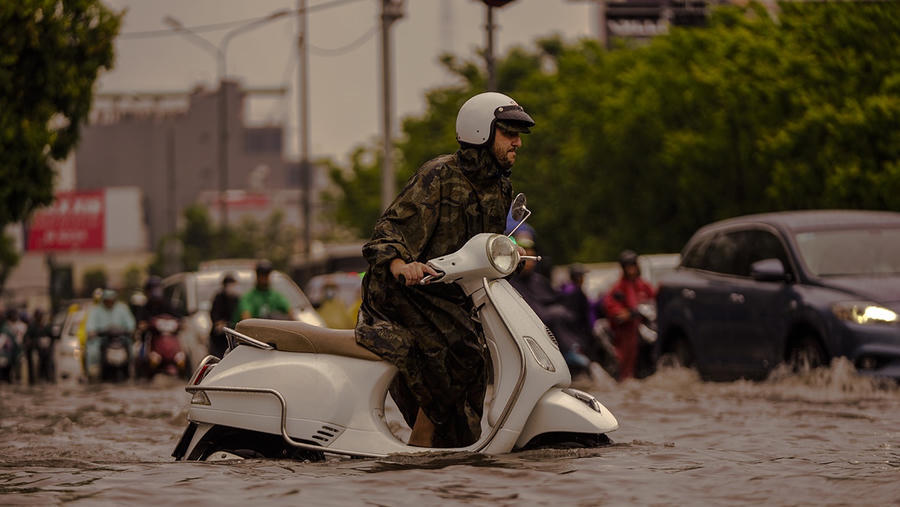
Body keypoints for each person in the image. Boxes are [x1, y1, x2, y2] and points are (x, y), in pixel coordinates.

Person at [355, 91, 534, 448]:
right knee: (449, 360)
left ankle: (453, 453)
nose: (517, 142)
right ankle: (421, 452)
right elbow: (387, 231)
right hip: (403, 293)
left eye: (518, 135)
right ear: (482, 133)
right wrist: (402, 265)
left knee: (476, 361)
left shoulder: (500, 185)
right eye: (508, 133)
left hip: (450, 297)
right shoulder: (439, 175)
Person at [510, 238, 594, 375]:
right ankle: (567, 351)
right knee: (557, 314)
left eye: (532, 259)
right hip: (530, 323)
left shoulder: (538, 280)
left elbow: (554, 297)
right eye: (525, 259)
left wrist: (574, 293)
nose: (529, 263)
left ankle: (576, 348)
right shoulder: (510, 282)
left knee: (567, 310)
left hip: (551, 317)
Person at [603, 250, 656, 381]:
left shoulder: (644, 286)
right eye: (628, 266)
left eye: (633, 265)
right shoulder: (618, 289)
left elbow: (654, 301)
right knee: (626, 371)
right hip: (627, 335)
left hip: (647, 331)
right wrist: (628, 313)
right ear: (624, 268)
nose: (632, 269)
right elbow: (614, 311)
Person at [85, 289, 137, 377]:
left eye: (111, 300)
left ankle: (133, 371)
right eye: (107, 300)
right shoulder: (95, 311)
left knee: (134, 352)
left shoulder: (122, 309)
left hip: (121, 340)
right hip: (102, 340)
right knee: (93, 353)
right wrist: (92, 332)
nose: (109, 302)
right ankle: (93, 373)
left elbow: (131, 324)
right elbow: (90, 327)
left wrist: (131, 330)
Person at [209, 273, 239, 357]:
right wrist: (218, 323)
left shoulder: (236, 298)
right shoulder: (218, 297)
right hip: (219, 335)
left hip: (232, 331)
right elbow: (213, 313)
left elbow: (238, 314)